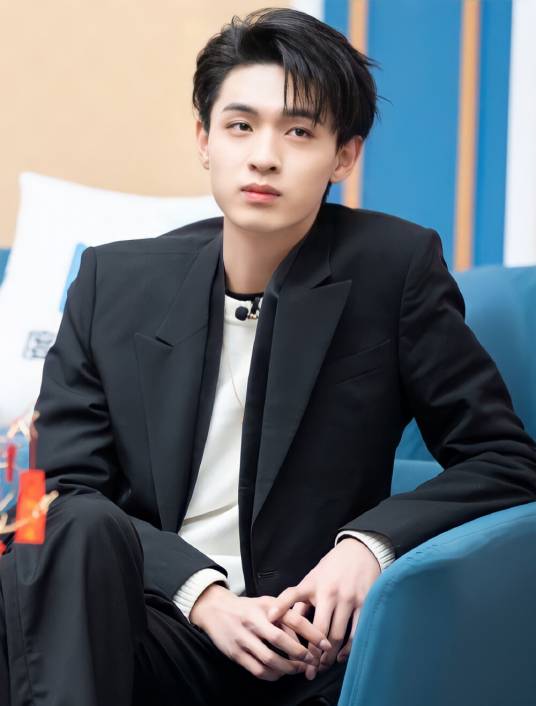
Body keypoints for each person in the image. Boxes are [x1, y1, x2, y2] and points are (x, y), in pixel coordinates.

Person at [2, 6, 536, 706]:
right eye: (240, 126)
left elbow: (503, 458)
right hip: (147, 627)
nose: (264, 156)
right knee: (61, 523)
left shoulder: (394, 270)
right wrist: (203, 595)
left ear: (344, 156)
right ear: (204, 139)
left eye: (299, 131)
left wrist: (368, 546)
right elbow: (59, 492)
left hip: (302, 646)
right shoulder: (114, 282)